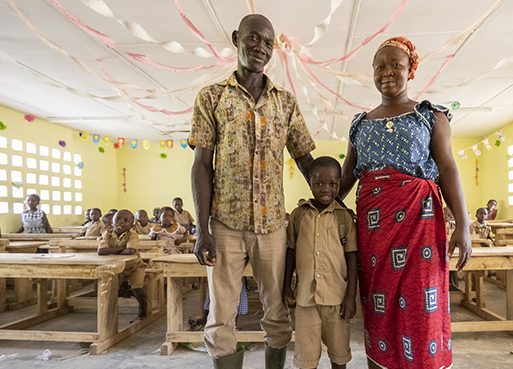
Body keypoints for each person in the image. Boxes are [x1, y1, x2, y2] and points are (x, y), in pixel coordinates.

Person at [189, 13, 316, 368]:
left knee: (276, 311)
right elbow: (201, 164)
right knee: (220, 315)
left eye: (268, 42)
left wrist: (333, 198)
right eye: (253, 38)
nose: (260, 47)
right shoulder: (212, 97)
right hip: (225, 225)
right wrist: (202, 230)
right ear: (236, 38)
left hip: (273, 226)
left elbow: (306, 160)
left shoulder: (285, 103)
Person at [339, 36, 471, 369]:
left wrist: (463, 224)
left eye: (396, 64)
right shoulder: (359, 124)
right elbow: (345, 178)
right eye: (379, 66)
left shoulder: (430, 116)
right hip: (374, 228)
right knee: (378, 305)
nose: (387, 72)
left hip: (421, 224)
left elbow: (448, 168)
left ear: (411, 70)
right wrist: (316, 203)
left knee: (419, 302)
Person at [283, 157, 358, 369]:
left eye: (332, 184)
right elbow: (291, 252)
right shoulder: (298, 216)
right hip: (305, 300)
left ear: (339, 185)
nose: (326, 189)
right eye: (319, 184)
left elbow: (352, 258)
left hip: (337, 300)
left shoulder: (344, 218)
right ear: (310, 184)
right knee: (306, 359)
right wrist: (286, 287)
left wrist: (351, 296)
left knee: (339, 355)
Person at [97, 210, 147, 321]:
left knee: (137, 288)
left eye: (126, 221)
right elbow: (101, 251)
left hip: (134, 267)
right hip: (116, 267)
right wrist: (122, 248)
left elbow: (130, 251)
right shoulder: (107, 234)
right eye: (118, 220)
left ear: (132, 225)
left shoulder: (132, 234)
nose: (121, 222)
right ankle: (107, 312)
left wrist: (111, 251)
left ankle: (143, 305)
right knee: (109, 288)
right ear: (112, 223)